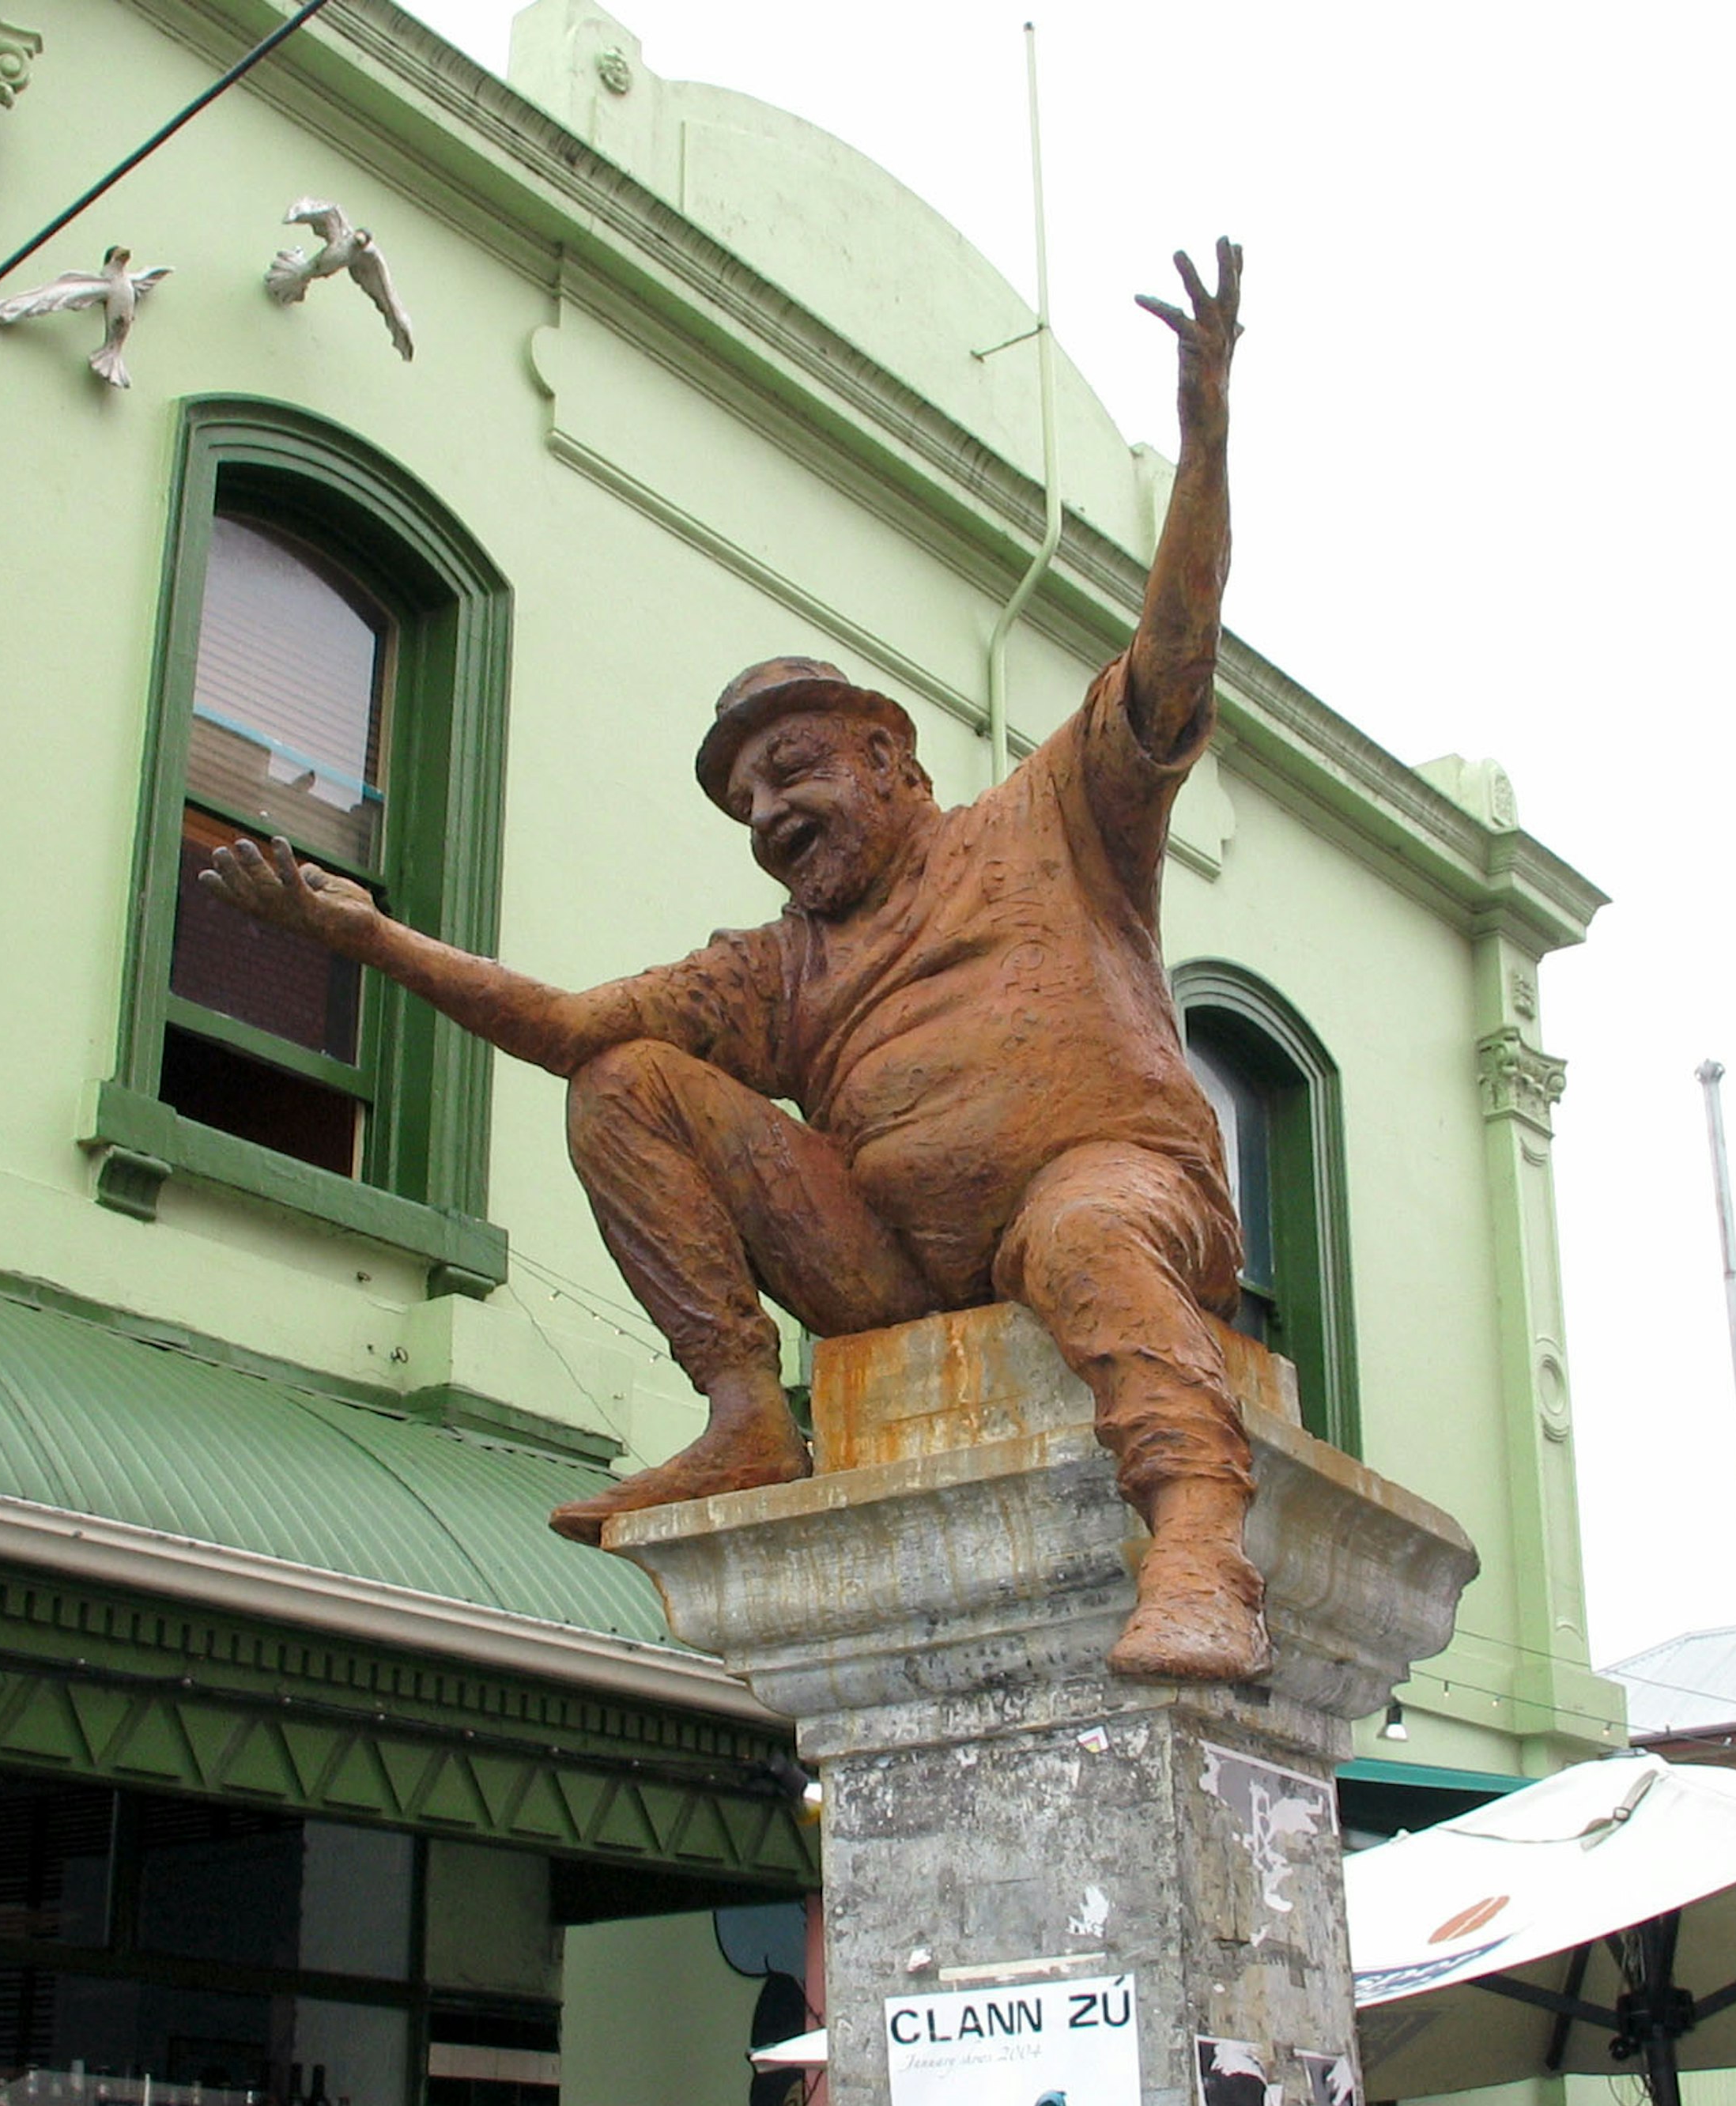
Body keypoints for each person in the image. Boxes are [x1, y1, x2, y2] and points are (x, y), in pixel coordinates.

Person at [202, 242, 1266, 1681]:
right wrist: (359, 934)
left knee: (1079, 1235)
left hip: (1118, 1194)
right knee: (622, 1082)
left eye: (790, 772)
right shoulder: (782, 965)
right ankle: (742, 1414)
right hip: (897, 1265)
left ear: (888, 756)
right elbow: (571, 1023)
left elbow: (1172, 660)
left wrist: (1203, 434)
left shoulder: (1057, 811)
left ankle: (1199, 1540)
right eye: (746, 803)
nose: (768, 817)